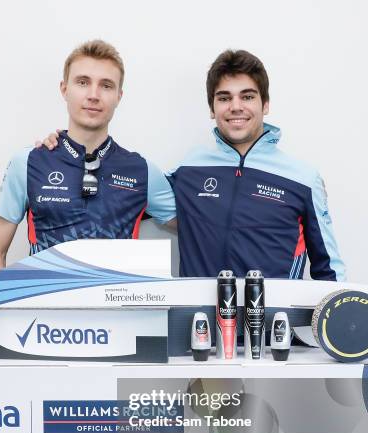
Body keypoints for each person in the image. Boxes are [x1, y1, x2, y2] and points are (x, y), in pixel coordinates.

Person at [38, 49, 346, 281]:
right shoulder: (188, 171)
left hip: (271, 338)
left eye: (247, 96)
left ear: (265, 104)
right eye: (224, 98)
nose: (235, 106)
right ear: (212, 109)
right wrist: (66, 151)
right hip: (199, 335)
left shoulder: (303, 178)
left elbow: (328, 268)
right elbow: (117, 191)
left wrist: (343, 335)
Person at [0, 40, 176, 276]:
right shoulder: (29, 162)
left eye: (106, 85)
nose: (93, 95)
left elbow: (202, 222)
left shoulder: (142, 171)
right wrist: (0, 311)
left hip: (120, 311)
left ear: (119, 96)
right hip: (45, 311)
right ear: (64, 89)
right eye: (83, 82)